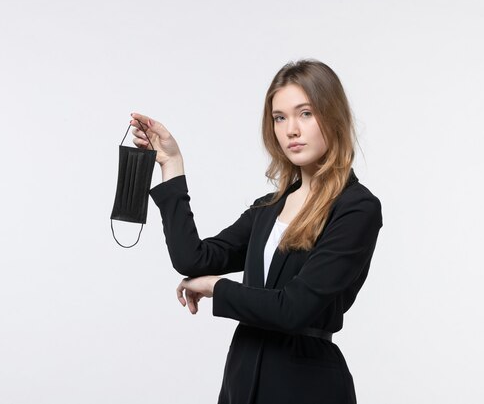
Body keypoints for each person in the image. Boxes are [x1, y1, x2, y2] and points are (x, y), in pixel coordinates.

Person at [128, 59, 383, 404]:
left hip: (305, 384)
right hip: (243, 376)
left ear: (332, 116)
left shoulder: (356, 208)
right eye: (280, 117)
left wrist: (218, 287)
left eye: (305, 113)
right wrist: (172, 165)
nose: (291, 129)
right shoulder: (269, 207)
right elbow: (193, 258)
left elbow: (295, 308)